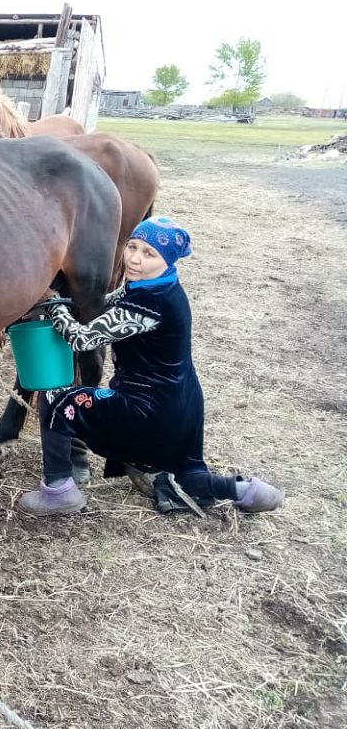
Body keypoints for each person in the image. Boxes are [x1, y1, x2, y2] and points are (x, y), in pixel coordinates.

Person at [17, 216, 284, 516]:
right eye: (132, 246)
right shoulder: (156, 287)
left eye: (149, 253)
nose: (134, 259)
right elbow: (106, 304)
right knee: (188, 476)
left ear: (166, 260)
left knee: (56, 399)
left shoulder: (148, 303)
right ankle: (243, 489)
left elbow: (82, 339)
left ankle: (59, 492)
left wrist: (55, 304)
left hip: (148, 410)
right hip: (182, 407)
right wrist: (69, 301)